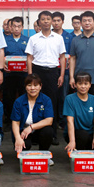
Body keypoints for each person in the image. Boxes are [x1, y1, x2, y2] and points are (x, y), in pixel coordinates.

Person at [26, 10, 66, 145]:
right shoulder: (33, 38)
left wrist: (61, 75)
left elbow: (62, 57)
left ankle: (52, 134)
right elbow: (29, 57)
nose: (46, 21)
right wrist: (31, 76)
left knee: (52, 103)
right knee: (36, 102)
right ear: (39, 22)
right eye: (43, 19)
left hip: (53, 72)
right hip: (37, 72)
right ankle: (35, 134)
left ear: (52, 21)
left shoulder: (58, 38)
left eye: (48, 19)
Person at [69, 11, 94, 109]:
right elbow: (72, 59)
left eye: (89, 20)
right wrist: (71, 77)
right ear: (81, 23)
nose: (87, 23)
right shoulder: (75, 40)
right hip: (79, 79)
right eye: (84, 21)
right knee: (80, 106)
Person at [63, 72, 94, 154]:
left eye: (86, 84)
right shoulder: (69, 99)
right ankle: (77, 152)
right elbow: (70, 121)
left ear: (90, 85)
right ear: (75, 85)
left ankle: (86, 149)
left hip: (90, 132)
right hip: (76, 133)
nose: (83, 86)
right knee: (83, 135)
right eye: (80, 84)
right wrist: (72, 141)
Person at [11, 74, 54, 153]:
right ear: (25, 87)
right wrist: (18, 138)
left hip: (38, 131)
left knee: (48, 131)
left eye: (35, 85)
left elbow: (49, 120)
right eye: (29, 85)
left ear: (40, 86)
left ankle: (43, 154)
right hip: (23, 132)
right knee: (25, 146)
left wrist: (31, 127)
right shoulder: (19, 101)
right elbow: (15, 122)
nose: (32, 88)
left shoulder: (46, 100)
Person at [2, 16, 29, 124]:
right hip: (9, 75)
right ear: (11, 27)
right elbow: (1, 55)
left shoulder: (27, 40)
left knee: (24, 97)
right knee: (8, 98)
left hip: (23, 75)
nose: (16, 28)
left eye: (19, 26)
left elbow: (31, 56)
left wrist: (28, 66)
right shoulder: (4, 40)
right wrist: (3, 65)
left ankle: (23, 119)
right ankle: (9, 120)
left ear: (22, 27)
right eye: (14, 26)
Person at [52, 11, 73, 127]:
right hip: (51, 70)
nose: (56, 23)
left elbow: (72, 55)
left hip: (65, 72)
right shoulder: (48, 35)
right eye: (54, 21)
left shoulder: (69, 37)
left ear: (63, 22)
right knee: (51, 96)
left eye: (58, 20)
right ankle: (52, 119)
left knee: (63, 97)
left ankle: (62, 120)